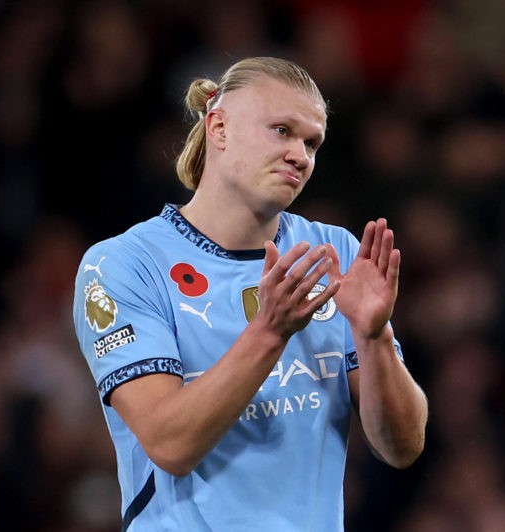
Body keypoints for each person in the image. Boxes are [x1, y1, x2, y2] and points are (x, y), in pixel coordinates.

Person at [72, 56, 428, 531]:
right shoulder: (124, 265)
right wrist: (270, 331)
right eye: (282, 130)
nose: (301, 156)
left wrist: (374, 334)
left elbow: (401, 447)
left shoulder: (334, 254)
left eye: (312, 142)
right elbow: (170, 443)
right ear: (218, 127)